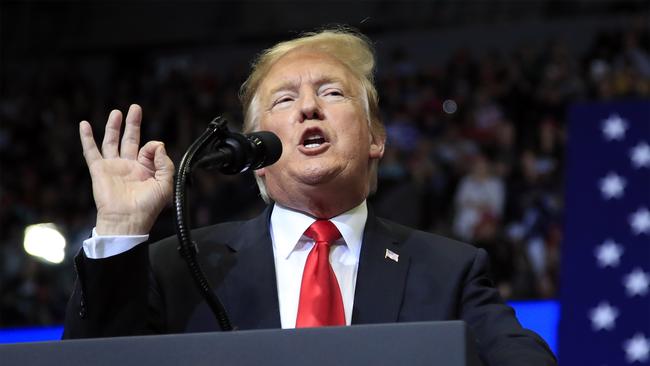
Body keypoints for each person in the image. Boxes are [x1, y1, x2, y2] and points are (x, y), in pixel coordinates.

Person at [63, 28, 557, 365]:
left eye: (332, 93)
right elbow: (91, 362)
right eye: (283, 99)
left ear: (375, 139)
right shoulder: (180, 267)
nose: (307, 108)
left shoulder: (451, 270)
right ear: (255, 149)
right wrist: (121, 230)